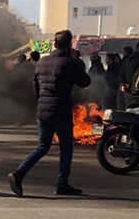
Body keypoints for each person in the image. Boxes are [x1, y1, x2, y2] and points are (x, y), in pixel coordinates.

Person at [7, 30, 91, 197]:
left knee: (42, 147)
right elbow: (85, 82)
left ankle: (18, 174)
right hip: (61, 111)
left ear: (54, 44)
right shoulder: (68, 63)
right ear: (69, 46)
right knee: (66, 149)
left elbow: (36, 89)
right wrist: (76, 61)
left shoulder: (42, 62)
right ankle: (62, 184)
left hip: (43, 111)